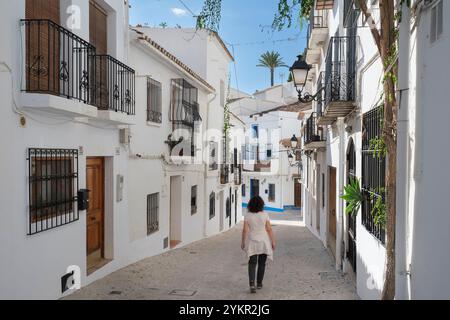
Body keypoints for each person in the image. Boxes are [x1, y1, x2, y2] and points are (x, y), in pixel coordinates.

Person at [241, 196, 276, 293]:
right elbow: (269, 229)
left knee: (252, 263)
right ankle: (259, 283)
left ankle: (252, 284)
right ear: (261, 204)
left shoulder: (247, 215)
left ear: (250, 205)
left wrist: (243, 242)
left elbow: (245, 230)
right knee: (262, 263)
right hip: (264, 241)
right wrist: (273, 241)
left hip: (252, 241)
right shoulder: (265, 215)